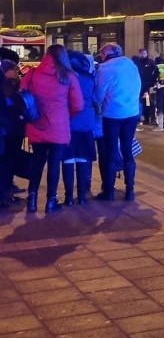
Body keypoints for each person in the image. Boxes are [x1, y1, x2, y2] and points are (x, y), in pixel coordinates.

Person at [22, 44, 84, 213]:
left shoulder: (33, 73)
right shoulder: (68, 76)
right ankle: (51, 201)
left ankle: (32, 199)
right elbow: (79, 105)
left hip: (37, 126)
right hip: (59, 128)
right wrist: (65, 115)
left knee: (36, 162)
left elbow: (22, 95)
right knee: (54, 164)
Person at [94, 43, 141, 202]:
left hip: (112, 115)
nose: (101, 58)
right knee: (127, 150)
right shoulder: (131, 65)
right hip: (132, 113)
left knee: (111, 151)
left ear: (106, 55)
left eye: (101, 55)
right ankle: (130, 190)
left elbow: (99, 96)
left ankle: (109, 191)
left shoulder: (104, 69)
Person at [62, 52, 100, 206]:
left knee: (68, 159)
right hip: (86, 123)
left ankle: (69, 197)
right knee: (83, 158)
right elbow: (95, 99)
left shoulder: (64, 77)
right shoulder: (89, 78)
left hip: (68, 124)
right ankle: (82, 196)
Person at [0, 59, 27, 209]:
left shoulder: (14, 84)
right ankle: (4, 194)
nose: (17, 72)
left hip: (13, 129)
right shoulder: (5, 87)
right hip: (8, 129)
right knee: (6, 162)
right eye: (14, 70)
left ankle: (7, 190)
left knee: (9, 161)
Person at [133, 48, 159, 126]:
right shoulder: (137, 63)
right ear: (139, 54)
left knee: (148, 102)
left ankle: (150, 118)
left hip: (148, 86)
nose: (143, 55)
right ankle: (145, 117)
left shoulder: (151, 62)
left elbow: (155, 73)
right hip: (140, 86)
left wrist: (153, 83)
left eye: (145, 53)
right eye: (142, 53)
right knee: (143, 103)